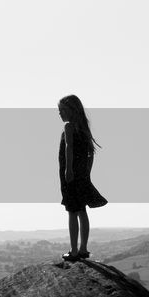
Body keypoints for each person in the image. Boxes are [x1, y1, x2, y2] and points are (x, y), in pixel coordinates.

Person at [57, 94, 107, 261]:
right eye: (59, 111)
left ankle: (73, 251)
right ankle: (83, 249)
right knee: (82, 211)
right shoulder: (83, 128)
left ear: (71, 110)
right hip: (82, 174)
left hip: (70, 175)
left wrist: (68, 171)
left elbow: (68, 148)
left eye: (62, 110)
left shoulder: (69, 127)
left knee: (72, 211)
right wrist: (87, 172)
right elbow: (90, 153)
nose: (60, 113)